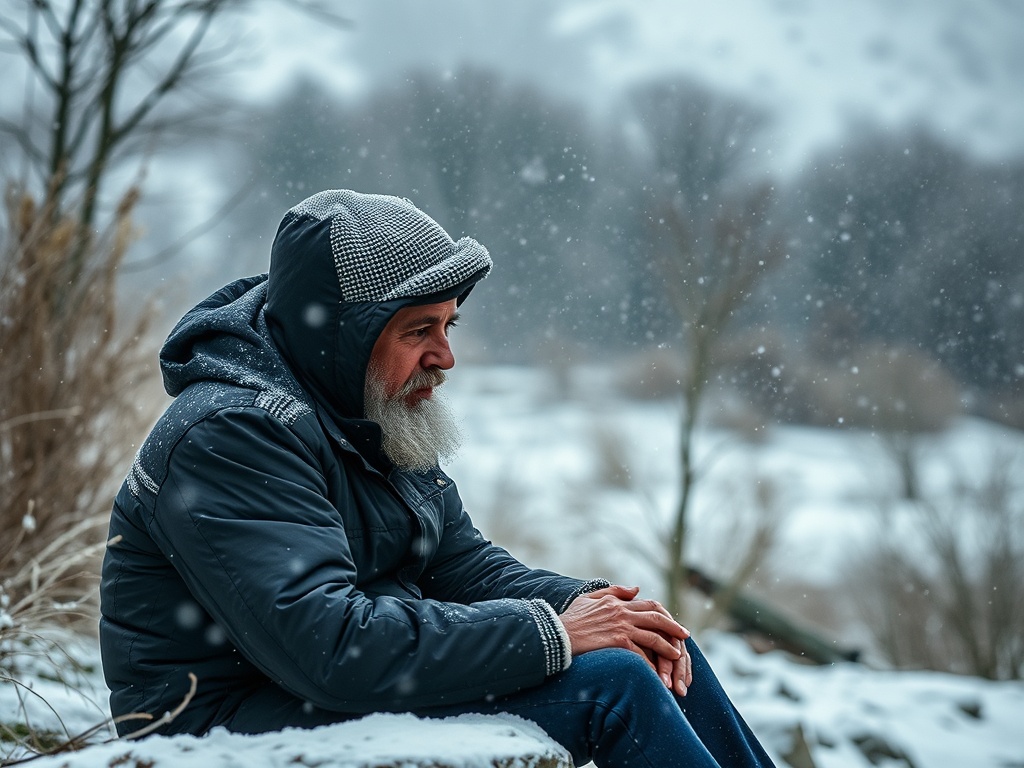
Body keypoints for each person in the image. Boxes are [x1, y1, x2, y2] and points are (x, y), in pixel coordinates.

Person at [100, 190, 775, 767]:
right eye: (419, 329)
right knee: (615, 684)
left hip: (319, 693)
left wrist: (601, 607)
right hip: (216, 730)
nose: (445, 356)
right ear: (341, 335)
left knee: (650, 643)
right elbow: (330, 645)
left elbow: (465, 568)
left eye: (449, 324)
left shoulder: (362, 409)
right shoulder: (231, 434)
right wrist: (555, 632)